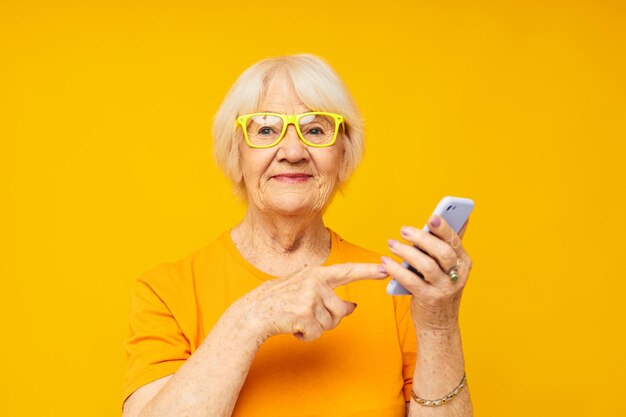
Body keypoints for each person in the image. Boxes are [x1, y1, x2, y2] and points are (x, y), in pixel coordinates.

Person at [121, 54, 474, 417]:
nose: (292, 152)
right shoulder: (167, 292)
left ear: (343, 154)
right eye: (266, 129)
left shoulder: (399, 292)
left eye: (316, 130)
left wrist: (439, 325)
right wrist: (252, 317)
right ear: (235, 152)